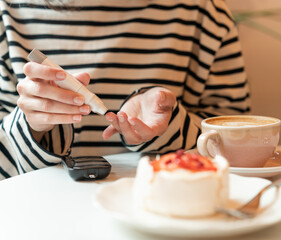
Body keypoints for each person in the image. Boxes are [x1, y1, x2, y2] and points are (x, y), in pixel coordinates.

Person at [0, 0, 250, 179]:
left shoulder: (202, 13)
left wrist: (167, 127)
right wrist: (34, 126)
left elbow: (241, 148)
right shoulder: (7, 13)